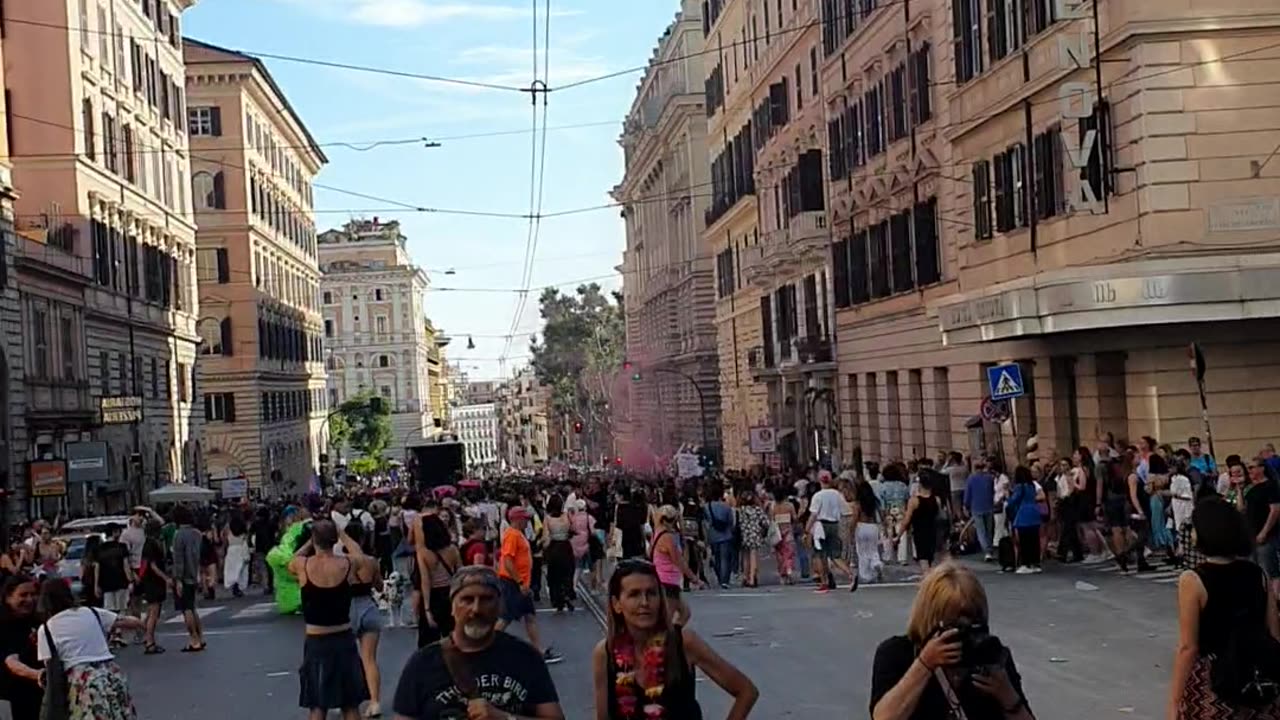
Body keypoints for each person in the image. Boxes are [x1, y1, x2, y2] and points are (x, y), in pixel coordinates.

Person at [392, 565, 565, 719]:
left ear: (500, 606)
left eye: (486, 599)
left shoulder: (526, 658)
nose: (476, 609)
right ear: (453, 607)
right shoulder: (423, 664)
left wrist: (503, 717)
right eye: (467, 600)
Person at [593, 559, 757, 719]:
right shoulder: (605, 653)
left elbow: (746, 691)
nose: (645, 602)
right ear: (617, 604)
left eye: (651, 593)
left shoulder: (683, 642)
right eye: (634, 594)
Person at [870, 563, 1034, 720]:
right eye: (955, 625)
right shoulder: (898, 654)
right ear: (932, 620)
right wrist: (924, 665)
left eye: (973, 622)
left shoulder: (991, 658)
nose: (964, 632)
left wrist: (1007, 695)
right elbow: (883, 717)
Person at [1169, 497, 1280, 718]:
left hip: (1213, 678)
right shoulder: (1258, 574)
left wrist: (1174, 700)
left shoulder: (1192, 580)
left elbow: (1187, 647)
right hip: (1258, 674)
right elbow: (1274, 633)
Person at [288, 519, 370, 720]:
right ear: (334, 541)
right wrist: (342, 534)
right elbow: (360, 555)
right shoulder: (347, 564)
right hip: (343, 638)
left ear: (315, 540)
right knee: (350, 704)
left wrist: (310, 541)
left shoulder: (304, 565)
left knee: (317, 704)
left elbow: (291, 559)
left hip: (317, 640)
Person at [36, 578, 144, 720]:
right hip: (110, 674)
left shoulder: (46, 629)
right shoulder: (91, 612)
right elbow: (132, 622)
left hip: (81, 681)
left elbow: (50, 665)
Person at [497, 507, 562, 664]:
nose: (527, 521)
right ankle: (487, 646)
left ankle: (538, 650)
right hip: (513, 583)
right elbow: (507, 560)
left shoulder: (518, 534)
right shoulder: (512, 535)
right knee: (506, 617)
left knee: (529, 616)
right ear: (517, 519)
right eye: (525, 518)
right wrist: (519, 582)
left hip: (520, 582)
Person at [344, 523, 386, 719]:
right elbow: (379, 587)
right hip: (368, 606)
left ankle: (348, 701)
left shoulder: (341, 562)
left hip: (347, 608)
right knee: (370, 659)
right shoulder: (371, 561)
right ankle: (375, 702)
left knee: (346, 660)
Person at [651, 505, 705, 625]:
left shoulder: (657, 534)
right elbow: (679, 561)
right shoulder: (667, 538)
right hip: (668, 581)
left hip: (663, 579)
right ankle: (663, 641)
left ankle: (673, 637)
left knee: (684, 613)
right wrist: (694, 579)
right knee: (668, 619)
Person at [1237, 456, 1280, 600]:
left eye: (1252, 467)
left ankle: (1274, 599)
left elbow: (1275, 510)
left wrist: (1264, 531)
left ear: (1261, 468)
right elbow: (1242, 508)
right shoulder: (1252, 488)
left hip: (1266, 535)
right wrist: (1239, 490)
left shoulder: (1271, 486)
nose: (1249, 471)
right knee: (1253, 569)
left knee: (1268, 570)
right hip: (1251, 534)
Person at [0, 576, 43, 720]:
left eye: (33, 594)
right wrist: (38, 675)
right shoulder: (4, 624)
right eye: (23, 595)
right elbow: (12, 662)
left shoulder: (38, 621)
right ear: (8, 598)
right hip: (11, 696)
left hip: (39, 692)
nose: (30, 599)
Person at [416, 515, 461, 648]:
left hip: (434, 596)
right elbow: (460, 573)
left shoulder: (423, 553)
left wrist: (427, 609)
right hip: (450, 593)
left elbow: (425, 581)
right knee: (453, 636)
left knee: (429, 643)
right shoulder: (452, 549)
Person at [170, 506, 206, 652]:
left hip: (184, 575)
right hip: (195, 572)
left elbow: (178, 559)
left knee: (186, 609)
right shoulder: (197, 533)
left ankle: (194, 639)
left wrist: (177, 579)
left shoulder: (178, 535)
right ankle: (200, 637)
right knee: (193, 607)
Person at [95, 525, 134, 649]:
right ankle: (118, 634)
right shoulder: (122, 547)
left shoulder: (99, 549)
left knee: (109, 610)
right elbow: (125, 565)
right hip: (121, 582)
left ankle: (111, 635)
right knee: (121, 609)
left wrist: (96, 585)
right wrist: (130, 580)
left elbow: (97, 568)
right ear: (115, 532)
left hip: (106, 584)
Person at [1006, 466, 1045, 574]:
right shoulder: (1032, 485)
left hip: (1024, 514)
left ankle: (1025, 563)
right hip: (1034, 512)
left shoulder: (1020, 486)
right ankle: (1035, 563)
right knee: (1034, 539)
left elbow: (1014, 500)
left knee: (1024, 540)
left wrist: (1007, 499)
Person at [542, 495, 576, 613]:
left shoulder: (547, 519)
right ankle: (567, 591)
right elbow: (573, 528)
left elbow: (546, 538)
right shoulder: (566, 515)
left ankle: (557, 600)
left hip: (554, 547)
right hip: (565, 546)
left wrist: (542, 548)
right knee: (567, 571)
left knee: (554, 575)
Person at [223, 513, 250, 598]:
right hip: (241, 548)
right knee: (242, 570)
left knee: (232, 570)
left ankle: (234, 585)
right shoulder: (243, 527)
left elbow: (224, 538)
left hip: (231, 549)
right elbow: (246, 539)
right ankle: (239, 587)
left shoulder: (228, 528)